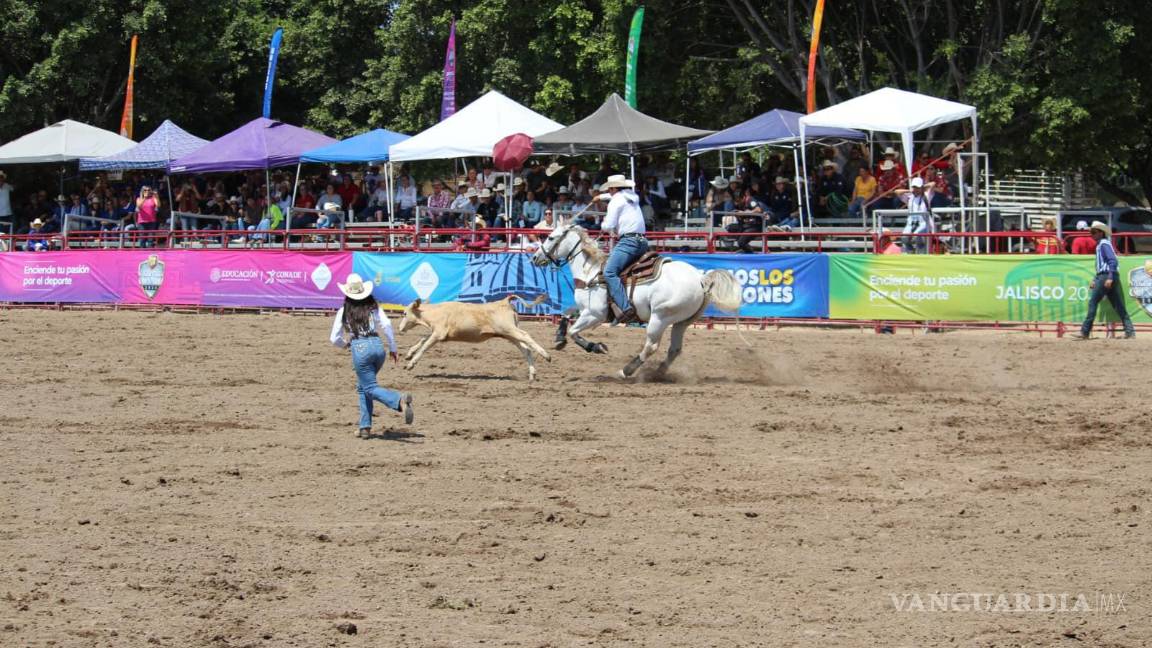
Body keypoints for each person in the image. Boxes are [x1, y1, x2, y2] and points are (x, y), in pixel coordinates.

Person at [329, 273, 413, 438]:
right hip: (377, 346)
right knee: (363, 387)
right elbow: (387, 324)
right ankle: (364, 427)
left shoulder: (343, 311)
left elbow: (334, 338)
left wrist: (345, 344)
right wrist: (393, 347)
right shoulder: (374, 308)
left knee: (369, 387)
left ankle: (398, 400)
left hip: (360, 347)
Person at [1076, 221, 1135, 339]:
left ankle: (1085, 331)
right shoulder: (1103, 244)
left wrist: (1108, 277)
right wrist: (1098, 278)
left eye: (1093, 232)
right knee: (1118, 305)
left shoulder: (1103, 244)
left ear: (1100, 233)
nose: (1091, 234)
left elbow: (1112, 261)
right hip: (1107, 276)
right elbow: (1106, 263)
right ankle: (1130, 331)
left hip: (1106, 276)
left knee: (1093, 302)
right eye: (1091, 232)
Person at [601, 175, 647, 323]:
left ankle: (625, 309)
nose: (609, 191)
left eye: (610, 188)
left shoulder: (616, 200)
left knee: (609, 272)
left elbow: (608, 225)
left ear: (614, 188)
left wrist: (604, 225)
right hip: (642, 241)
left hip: (628, 242)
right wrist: (600, 197)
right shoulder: (632, 196)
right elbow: (616, 196)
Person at [894, 177, 935, 254]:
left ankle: (921, 253)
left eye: (917, 187)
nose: (915, 189)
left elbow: (933, 184)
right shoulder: (909, 197)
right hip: (911, 222)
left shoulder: (926, 195)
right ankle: (911, 251)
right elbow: (897, 192)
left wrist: (923, 188)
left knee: (917, 236)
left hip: (923, 222)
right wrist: (910, 190)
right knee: (904, 238)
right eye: (914, 187)